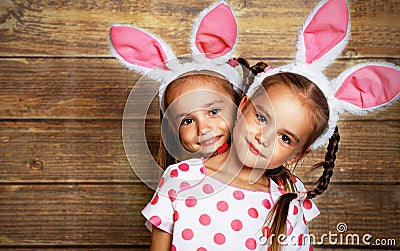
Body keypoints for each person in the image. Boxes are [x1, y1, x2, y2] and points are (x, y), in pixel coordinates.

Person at [141, 0, 400, 250]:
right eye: (262, 118)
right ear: (242, 107)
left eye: (285, 138)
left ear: (297, 154)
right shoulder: (180, 177)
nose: (264, 138)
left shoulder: (287, 201)